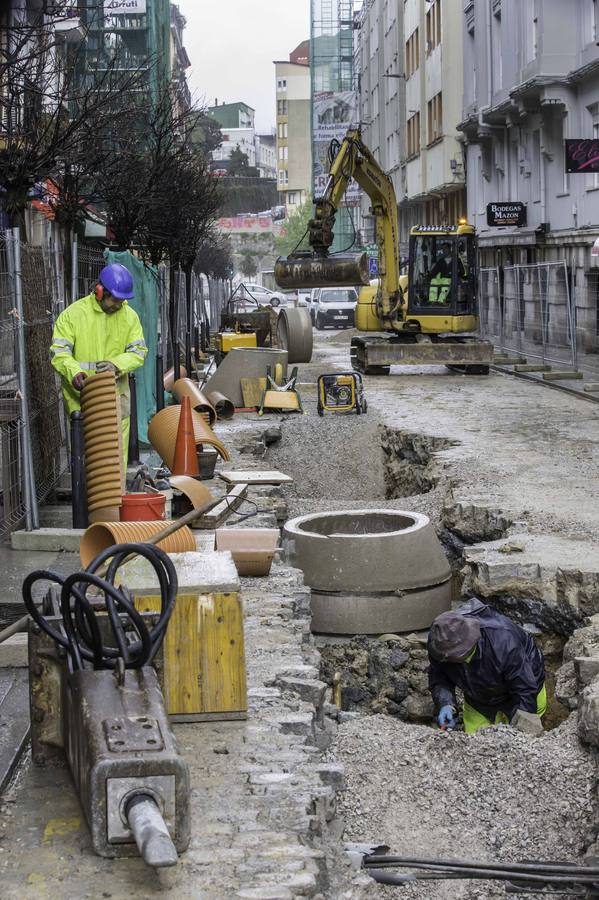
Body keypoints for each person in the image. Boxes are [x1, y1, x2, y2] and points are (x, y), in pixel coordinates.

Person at [50, 263, 147, 468]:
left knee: (114, 463)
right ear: (100, 291)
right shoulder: (73, 315)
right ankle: (88, 500)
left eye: (122, 301)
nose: (118, 305)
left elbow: (138, 353)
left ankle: (115, 499)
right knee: (89, 464)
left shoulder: (129, 318)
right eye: (115, 300)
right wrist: (74, 372)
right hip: (82, 402)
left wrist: (117, 365)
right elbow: (59, 352)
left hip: (115, 401)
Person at [428, 598, 546, 735]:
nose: (450, 660)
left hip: (524, 691)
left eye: (456, 656)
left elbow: (525, 690)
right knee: (475, 744)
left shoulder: (504, 642)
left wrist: (523, 730)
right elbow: (439, 675)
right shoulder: (438, 642)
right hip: (479, 699)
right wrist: (446, 703)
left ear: (469, 643)